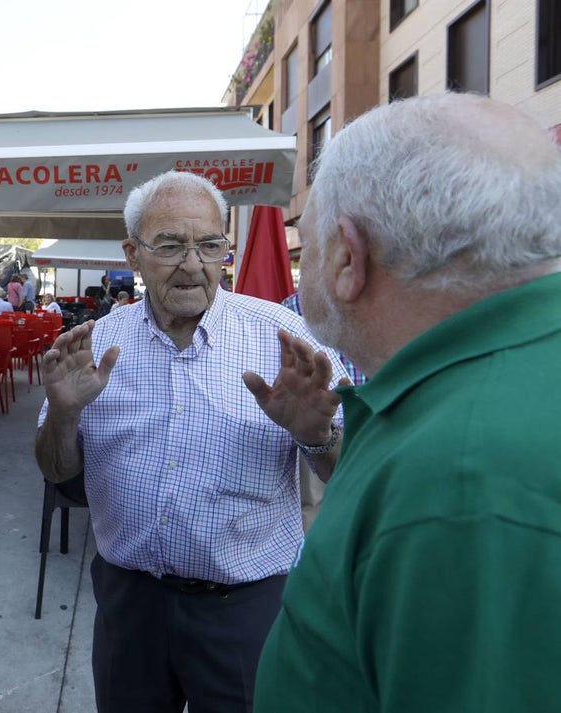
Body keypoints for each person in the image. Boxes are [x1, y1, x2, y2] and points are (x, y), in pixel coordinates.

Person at [254, 94, 561, 712]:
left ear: (347, 257)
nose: (299, 261)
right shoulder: (475, 407)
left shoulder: (464, 480)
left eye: (306, 240)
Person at [35, 170, 350, 713]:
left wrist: (316, 437)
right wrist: (62, 416)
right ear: (133, 255)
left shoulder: (286, 340)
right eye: (171, 246)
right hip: (129, 605)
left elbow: (354, 474)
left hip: (246, 610)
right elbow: (58, 471)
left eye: (209, 245)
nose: (193, 263)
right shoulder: (98, 345)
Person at [280, 291, 367, 531]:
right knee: (320, 518)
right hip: (322, 431)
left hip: (377, 424)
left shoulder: (386, 297)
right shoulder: (294, 306)